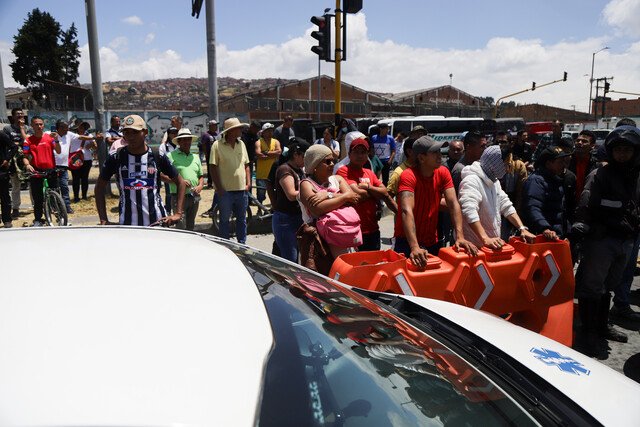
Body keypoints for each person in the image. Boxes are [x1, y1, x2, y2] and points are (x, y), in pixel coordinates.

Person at [572, 126, 640, 357]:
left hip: (626, 240)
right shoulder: (600, 174)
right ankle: (588, 332)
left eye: (627, 150)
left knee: (609, 286)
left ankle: (602, 326)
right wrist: (582, 225)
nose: (623, 154)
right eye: (619, 150)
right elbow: (586, 202)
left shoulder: (635, 176)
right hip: (601, 240)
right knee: (591, 286)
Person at [394, 136, 478, 267]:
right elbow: (406, 210)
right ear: (421, 158)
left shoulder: (443, 172)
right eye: (435, 152)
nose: (440, 156)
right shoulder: (408, 175)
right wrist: (414, 247)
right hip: (407, 241)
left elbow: (453, 203)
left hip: (432, 240)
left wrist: (460, 237)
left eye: (440, 151)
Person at [95, 114, 186, 227]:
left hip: (157, 223)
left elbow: (180, 182)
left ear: (145, 132)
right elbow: (99, 188)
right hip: (128, 225)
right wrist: (103, 219)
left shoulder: (157, 155)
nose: (131, 137)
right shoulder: (116, 157)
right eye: (127, 133)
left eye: (135, 132)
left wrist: (178, 213)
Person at [458, 145, 536, 249]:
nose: (508, 169)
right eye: (506, 165)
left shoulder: (494, 182)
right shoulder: (471, 181)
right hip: (474, 247)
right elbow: (469, 212)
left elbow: (506, 205)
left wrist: (522, 228)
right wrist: (485, 238)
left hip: (491, 245)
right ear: (495, 163)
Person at [299, 144, 361, 258]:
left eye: (333, 160)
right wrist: (344, 197)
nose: (332, 164)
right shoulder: (306, 185)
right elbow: (317, 210)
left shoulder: (337, 179)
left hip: (344, 236)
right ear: (315, 165)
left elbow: (354, 198)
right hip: (319, 243)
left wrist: (328, 195)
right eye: (327, 161)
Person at [337, 138, 397, 251]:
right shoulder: (343, 171)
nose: (360, 155)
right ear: (349, 154)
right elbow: (358, 194)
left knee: (374, 264)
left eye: (363, 152)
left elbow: (384, 191)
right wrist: (375, 193)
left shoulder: (369, 172)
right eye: (356, 152)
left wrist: (368, 187)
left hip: (373, 229)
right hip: (354, 230)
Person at [210, 117, 251, 243]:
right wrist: (219, 188)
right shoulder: (217, 145)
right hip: (225, 191)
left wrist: (248, 183)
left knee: (242, 219)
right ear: (230, 130)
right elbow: (212, 167)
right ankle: (225, 244)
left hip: (241, 190)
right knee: (224, 220)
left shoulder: (241, 144)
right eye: (238, 128)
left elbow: (246, 165)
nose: (240, 130)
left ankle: (242, 244)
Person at [271, 138, 309, 262]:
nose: (306, 160)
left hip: (298, 218)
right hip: (286, 220)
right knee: (290, 260)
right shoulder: (285, 170)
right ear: (296, 154)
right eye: (304, 156)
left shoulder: (299, 170)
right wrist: (312, 192)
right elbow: (291, 194)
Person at [21, 116, 61, 226]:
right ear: (32, 126)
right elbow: (24, 155)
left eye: (41, 124)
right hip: (36, 171)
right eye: (36, 124)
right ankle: (38, 219)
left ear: (43, 125)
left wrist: (56, 139)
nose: (39, 126)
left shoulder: (50, 138)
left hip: (51, 169)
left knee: (56, 195)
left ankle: (60, 217)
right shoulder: (28, 140)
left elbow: (58, 150)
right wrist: (27, 164)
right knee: (37, 197)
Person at [522, 147, 568, 239]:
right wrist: (545, 228)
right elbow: (533, 207)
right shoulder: (536, 181)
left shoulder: (555, 179)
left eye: (564, 161)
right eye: (560, 162)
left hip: (557, 235)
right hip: (544, 236)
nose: (564, 165)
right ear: (548, 164)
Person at [53, 120, 94, 214]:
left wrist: (94, 137)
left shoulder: (69, 134)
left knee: (64, 187)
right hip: (52, 165)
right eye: (64, 127)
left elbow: (81, 137)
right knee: (54, 187)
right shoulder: (50, 135)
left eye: (67, 127)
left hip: (64, 165)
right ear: (59, 128)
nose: (67, 129)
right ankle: (55, 206)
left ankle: (67, 207)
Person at [167, 128, 203, 231]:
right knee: (181, 226)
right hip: (178, 196)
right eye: (184, 139)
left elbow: (200, 176)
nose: (187, 142)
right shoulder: (170, 156)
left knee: (191, 226)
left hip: (194, 197)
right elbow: (161, 175)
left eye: (188, 139)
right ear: (179, 142)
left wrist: (200, 186)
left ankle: (190, 246)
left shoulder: (195, 157)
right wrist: (179, 181)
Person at [3, 108, 30, 218]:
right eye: (18, 115)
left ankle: (36, 205)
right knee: (15, 185)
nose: (20, 117)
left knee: (32, 183)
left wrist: (22, 129)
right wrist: (20, 143)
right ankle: (15, 208)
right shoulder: (7, 128)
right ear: (13, 117)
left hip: (27, 157)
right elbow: (7, 143)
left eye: (22, 115)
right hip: (14, 160)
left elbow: (28, 141)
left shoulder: (28, 128)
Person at [70, 121, 97, 202]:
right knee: (76, 179)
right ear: (76, 127)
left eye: (84, 127)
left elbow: (95, 147)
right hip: (75, 159)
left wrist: (92, 145)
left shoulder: (89, 135)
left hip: (87, 159)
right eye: (80, 126)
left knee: (85, 178)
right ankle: (76, 197)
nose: (82, 128)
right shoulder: (72, 135)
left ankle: (84, 196)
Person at [255, 123, 282, 203]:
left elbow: (279, 151)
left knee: (275, 193)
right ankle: (260, 209)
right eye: (268, 131)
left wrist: (265, 153)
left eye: (271, 131)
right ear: (263, 132)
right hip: (262, 174)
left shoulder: (276, 141)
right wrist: (273, 155)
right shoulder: (259, 142)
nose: (270, 133)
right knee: (260, 194)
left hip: (273, 174)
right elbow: (259, 154)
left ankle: (273, 208)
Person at [159, 126, 178, 214]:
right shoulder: (163, 146)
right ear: (168, 134)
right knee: (169, 193)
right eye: (172, 133)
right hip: (168, 173)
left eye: (175, 133)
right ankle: (168, 210)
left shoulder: (179, 145)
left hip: (179, 172)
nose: (174, 135)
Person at [0, 129, 14, 227]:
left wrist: (7, 159)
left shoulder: (1, 135)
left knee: (4, 197)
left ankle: (7, 220)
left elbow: (14, 147)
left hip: (1, 171)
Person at [200, 119, 219, 188]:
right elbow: (203, 145)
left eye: (216, 125)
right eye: (215, 125)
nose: (216, 127)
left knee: (218, 169)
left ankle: (217, 183)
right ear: (210, 126)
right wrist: (206, 154)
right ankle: (210, 183)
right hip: (210, 154)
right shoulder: (206, 135)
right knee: (210, 169)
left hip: (218, 155)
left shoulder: (217, 134)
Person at [242, 120, 260, 188]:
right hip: (243, 160)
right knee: (245, 178)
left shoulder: (255, 135)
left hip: (251, 159)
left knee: (249, 179)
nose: (256, 131)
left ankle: (249, 196)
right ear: (251, 127)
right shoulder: (243, 134)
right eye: (255, 129)